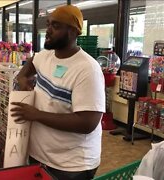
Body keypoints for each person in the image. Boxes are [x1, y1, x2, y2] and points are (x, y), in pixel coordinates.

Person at [11, 5, 105, 180]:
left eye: (55, 26)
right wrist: (23, 80)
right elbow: (28, 67)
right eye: (48, 24)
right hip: (39, 156)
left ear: (73, 31)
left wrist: (36, 115)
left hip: (70, 166)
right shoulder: (45, 56)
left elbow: (87, 123)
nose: (48, 31)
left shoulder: (87, 70)